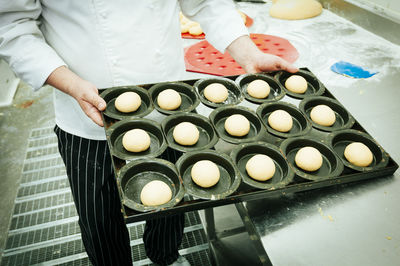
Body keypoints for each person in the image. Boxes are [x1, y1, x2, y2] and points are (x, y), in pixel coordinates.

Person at [0, 0, 297, 265]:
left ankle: (166, 257)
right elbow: (13, 26)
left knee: (173, 201)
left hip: (168, 102)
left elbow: (206, 2)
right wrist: (68, 82)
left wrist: (247, 53)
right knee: (98, 215)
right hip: (87, 108)